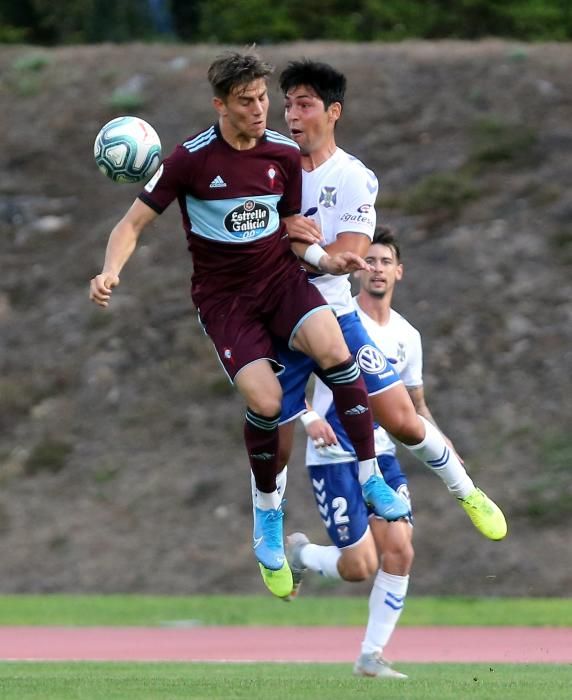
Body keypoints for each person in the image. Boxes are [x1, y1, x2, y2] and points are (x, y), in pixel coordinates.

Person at [88, 49, 408, 599]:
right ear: (221, 105)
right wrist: (109, 271)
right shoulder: (190, 160)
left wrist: (327, 262)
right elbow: (132, 223)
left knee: (336, 352)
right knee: (264, 405)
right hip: (226, 300)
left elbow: (292, 226)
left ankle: (369, 475)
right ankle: (267, 515)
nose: (261, 110)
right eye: (247, 101)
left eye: (263, 98)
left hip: (281, 283)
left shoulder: (283, 154)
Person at [272, 59, 507, 543]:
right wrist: (280, 233)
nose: (292, 115)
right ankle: (269, 529)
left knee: (402, 420)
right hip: (281, 316)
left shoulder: (355, 177)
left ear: (333, 111)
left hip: (336, 314)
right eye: (288, 105)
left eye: (305, 105)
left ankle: (466, 490)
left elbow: (351, 254)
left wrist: (302, 246)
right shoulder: (270, 168)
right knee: (272, 433)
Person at [286, 228, 474, 679]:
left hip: (383, 453)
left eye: (385, 261)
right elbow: (289, 378)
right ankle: (301, 555)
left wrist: (441, 440)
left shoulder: (408, 335)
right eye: (368, 260)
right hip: (335, 455)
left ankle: (371, 655)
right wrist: (309, 418)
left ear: (399, 272)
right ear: (355, 269)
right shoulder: (331, 318)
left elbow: (415, 403)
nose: (376, 268)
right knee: (358, 567)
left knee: (400, 549)